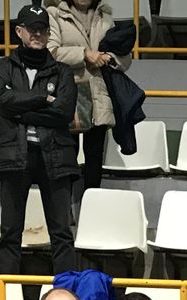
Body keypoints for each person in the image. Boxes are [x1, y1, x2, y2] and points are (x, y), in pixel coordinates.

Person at [0, 5, 80, 275]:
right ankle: (6, 296)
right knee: (10, 232)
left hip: (55, 155)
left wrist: (21, 112)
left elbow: (63, 113)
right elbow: (3, 103)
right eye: (32, 29)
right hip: (14, 155)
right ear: (19, 31)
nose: (38, 34)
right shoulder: (2, 67)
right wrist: (43, 98)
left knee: (61, 233)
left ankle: (67, 295)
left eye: (42, 29)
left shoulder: (63, 72)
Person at [47, 0, 129, 196]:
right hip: (69, 95)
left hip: (99, 94)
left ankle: (92, 208)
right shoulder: (54, 14)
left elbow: (124, 58)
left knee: (95, 156)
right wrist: (84, 54)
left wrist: (108, 58)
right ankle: (63, 211)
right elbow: (50, 52)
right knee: (66, 155)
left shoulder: (105, 16)